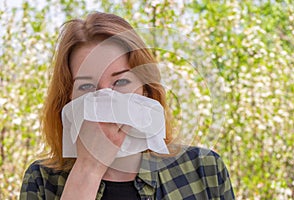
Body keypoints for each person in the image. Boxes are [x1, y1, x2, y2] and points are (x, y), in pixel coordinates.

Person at [20, 12, 235, 200]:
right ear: (67, 99)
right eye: (87, 86)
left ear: (146, 90)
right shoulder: (42, 181)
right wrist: (88, 170)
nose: (106, 99)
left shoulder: (204, 170)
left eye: (121, 82)